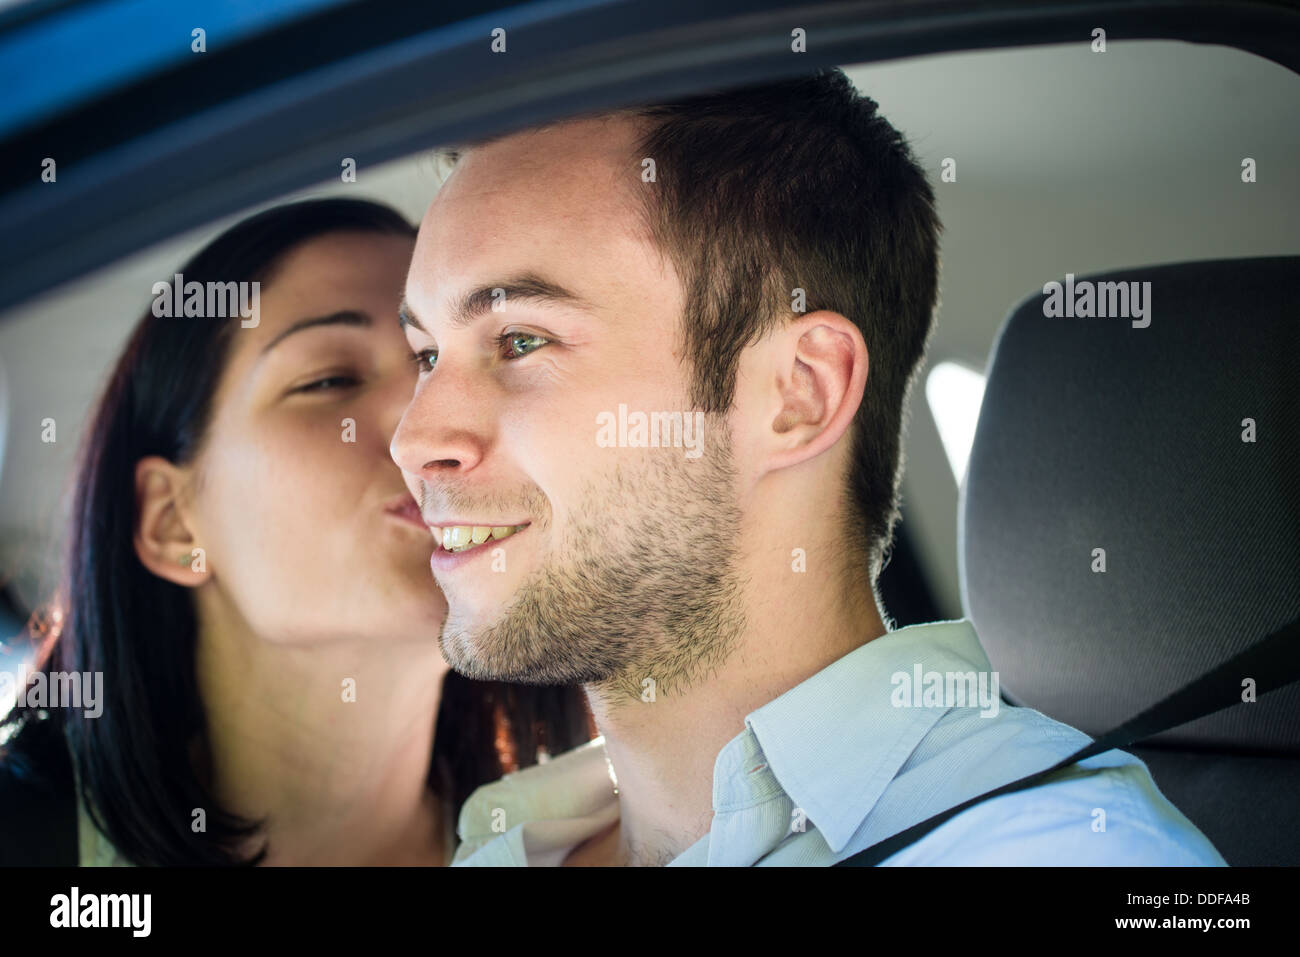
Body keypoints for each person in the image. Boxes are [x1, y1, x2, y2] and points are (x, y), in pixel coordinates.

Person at [389, 70, 1226, 866]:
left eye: (521, 341)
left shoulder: (1053, 848)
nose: (412, 438)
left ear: (799, 393)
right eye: (427, 354)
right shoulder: (507, 839)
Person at [0, 198, 590, 866]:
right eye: (331, 379)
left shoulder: (590, 842)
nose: (427, 425)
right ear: (172, 521)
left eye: (429, 361)